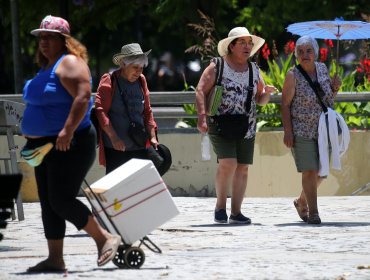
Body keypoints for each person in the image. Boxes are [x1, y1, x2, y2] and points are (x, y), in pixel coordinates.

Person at [21, 15, 121, 273]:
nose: (43, 42)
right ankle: (55, 259)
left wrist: (67, 130)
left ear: (64, 41)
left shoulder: (69, 62)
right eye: (41, 37)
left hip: (71, 143)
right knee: (48, 202)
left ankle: (105, 238)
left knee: (61, 199)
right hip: (45, 147)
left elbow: (84, 96)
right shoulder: (48, 67)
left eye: (49, 37)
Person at [195, 27, 277, 224]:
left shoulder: (254, 70)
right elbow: (200, 90)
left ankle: (236, 212)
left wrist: (267, 93)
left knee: (243, 167)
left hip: (245, 125)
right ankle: (220, 207)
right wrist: (202, 117)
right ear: (231, 46)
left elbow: (260, 100)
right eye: (242, 43)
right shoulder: (218, 66)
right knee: (228, 163)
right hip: (220, 122)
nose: (247, 47)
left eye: (249, 43)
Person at [281, 35, 342, 224]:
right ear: (296, 55)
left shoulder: (323, 69)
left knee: (322, 172)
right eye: (300, 51)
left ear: (315, 53)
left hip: (324, 129)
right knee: (309, 171)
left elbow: (327, 99)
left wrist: (335, 88)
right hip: (302, 130)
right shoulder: (293, 75)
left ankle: (301, 201)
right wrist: (288, 132)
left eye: (309, 51)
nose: (305, 54)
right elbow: (284, 105)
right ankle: (313, 212)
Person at [95, 43, 159, 174]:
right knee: (116, 190)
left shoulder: (141, 80)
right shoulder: (110, 80)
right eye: (135, 67)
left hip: (139, 144)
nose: (139, 72)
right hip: (116, 148)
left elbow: (147, 111)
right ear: (123, 64)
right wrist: (114, 138)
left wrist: (152, 137)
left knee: (139, 187)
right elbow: (100, 111)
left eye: (141, 68)